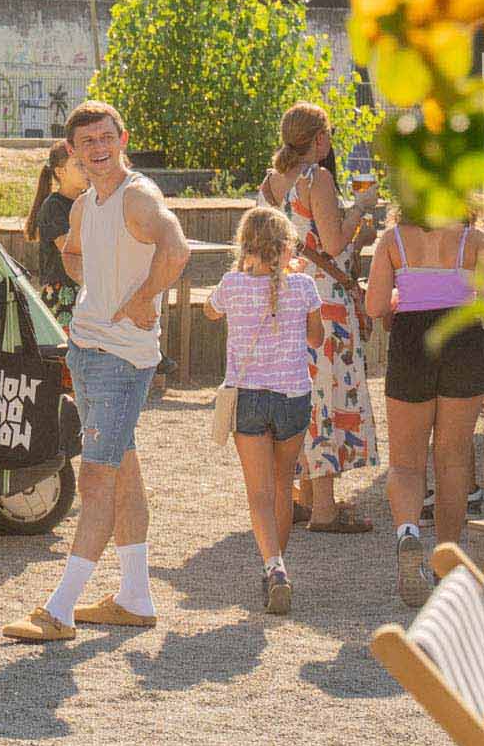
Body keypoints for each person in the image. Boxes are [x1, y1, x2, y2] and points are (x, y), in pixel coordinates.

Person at [5, 100, 188, 643]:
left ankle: (60, 610)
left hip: (119, 360)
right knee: (121, 472)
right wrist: (98, 287)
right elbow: (74, 256)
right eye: (87, 143)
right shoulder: (85, 205)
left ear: (122, 138)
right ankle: (135, 597)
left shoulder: (138, 194)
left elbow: (176, 250)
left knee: (97, 478)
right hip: (86, 350)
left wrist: (144, 297)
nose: (98, 149)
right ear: (74, 152)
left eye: (106, 138)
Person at [261, 102, 379, 533]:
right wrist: (362, 207)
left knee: (301, 396)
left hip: (286, 299)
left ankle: (306, 496)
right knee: (328, 396)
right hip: (324, 300)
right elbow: (330, 243)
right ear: (320, 139)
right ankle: (326, 508)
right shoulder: (318, 178)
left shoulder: (271, 184)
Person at [203, 207, 322, 615]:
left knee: (259, 494)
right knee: (283, 484)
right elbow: (317, 337)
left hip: (249, 396)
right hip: (292, 395)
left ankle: (274, 567)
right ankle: (277, 566)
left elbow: (210, 310)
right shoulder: (304, 285)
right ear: (286, 246)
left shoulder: (232, 283)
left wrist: (245, 271)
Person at [366, 206, 484, 606]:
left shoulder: (393, 240)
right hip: (463, 341)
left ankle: (408, 534)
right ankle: (446, 564)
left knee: (406, 461)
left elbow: (374, 305)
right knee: (451, 461)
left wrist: (403, 297)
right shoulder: (474, 241)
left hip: (411, 341)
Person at [26, 139, 87, 326]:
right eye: (79, 165)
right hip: (63, 295)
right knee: (65, 353)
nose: (87, 169)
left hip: (84, 290)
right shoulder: (54, 207)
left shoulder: (91, 202)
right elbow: (70, 249)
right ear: (61, 172)